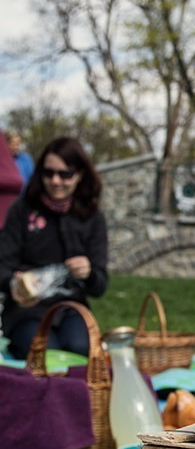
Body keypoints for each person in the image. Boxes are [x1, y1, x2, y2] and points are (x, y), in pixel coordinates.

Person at [0, 137, 108, 359]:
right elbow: (3, 265)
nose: (55, 181)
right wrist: (13, 284)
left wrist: (88, 273)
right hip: (26, 310)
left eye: (65, 174)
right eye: (48, 173)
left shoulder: (92, 217)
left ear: (80, 174)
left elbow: (100, 286)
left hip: (71, 308)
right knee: (44, 352)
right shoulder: (22, 210)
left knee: (80, 349)